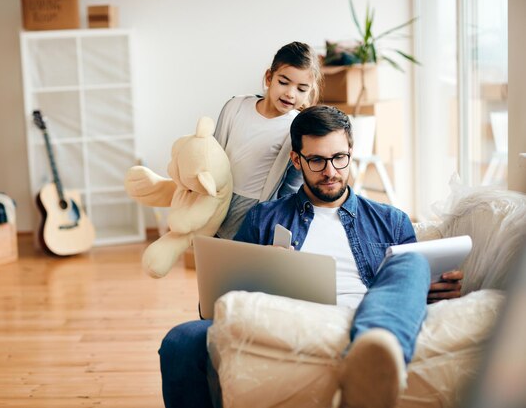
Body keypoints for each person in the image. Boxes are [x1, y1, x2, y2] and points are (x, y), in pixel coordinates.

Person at [159, 106, 463, 408]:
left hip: (370, 317)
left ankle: (373, 351)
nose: (331, 171)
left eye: (339, 158)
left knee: (412, 263)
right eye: (317, 160)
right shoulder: (264, 218)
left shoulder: (392, 220)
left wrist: (430, 288)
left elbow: (407, 295)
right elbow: (212, 309)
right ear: (296, 159)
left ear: (350, 153)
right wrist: (264, 270)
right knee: (180, 340)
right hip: (295, 319)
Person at [214, 41, 321, 239]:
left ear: (309, 91)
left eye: (301, 88)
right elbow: (210, 155)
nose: (290, 93)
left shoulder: (297, 129)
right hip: (219, 204)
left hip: (257, 213)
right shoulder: (235, 107)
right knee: (214, 264)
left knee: (248, 267)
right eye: (283, 82)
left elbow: (291, 187)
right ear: (269, 77)